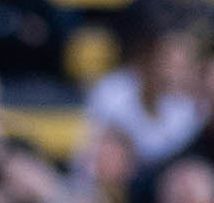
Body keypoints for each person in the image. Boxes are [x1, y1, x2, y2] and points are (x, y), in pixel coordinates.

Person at [82, 27, 203, 172]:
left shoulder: (192, 109)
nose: (172, 74)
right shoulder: (113, 90)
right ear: (149, 60)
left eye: (182, 66)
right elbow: (92, 148)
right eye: (167, 62)